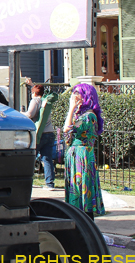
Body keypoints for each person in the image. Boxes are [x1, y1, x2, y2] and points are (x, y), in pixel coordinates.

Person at [62, 83, 105, 218]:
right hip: (76, 156)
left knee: (82, 192)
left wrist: (71, 108)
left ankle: (85, 224)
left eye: (77, 93)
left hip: (81, 157)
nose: (74, 96)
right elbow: (67, 136)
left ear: (86, 96)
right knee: (77, 191)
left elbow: (67, 129)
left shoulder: (88, 117)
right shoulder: (81, 116)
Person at [25, 82, 57, 190]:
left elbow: (30, 114)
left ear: (33, 93)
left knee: (31, 157)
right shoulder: (46, 100)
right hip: (50, 133)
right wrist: (32, 84)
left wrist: (20, 113)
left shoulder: (35, 100)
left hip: (39, 134)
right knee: (47, 158)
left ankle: (27, 180)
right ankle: (50, 183)